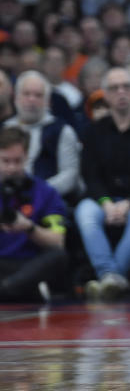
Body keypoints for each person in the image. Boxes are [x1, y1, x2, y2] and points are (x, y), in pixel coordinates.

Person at [75, 67, 130, 300]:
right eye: (114, 88)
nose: (121, 92)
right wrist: (106, 203)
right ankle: (113, 277)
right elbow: (90, 175)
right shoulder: (93, 131)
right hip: (102, 199)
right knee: (85, 214)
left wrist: (129, 203)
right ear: (105, 94)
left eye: (126, 86)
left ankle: (108, 277)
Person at [0, 127, 68, 301]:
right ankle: (15, 289)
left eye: (17, 161)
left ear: (27, 157)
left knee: (59, 256)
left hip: (28, 264)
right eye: (5, 161)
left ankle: (7, 288)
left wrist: (29, 228)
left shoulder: (46, 192)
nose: (11, 168)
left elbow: (57, 241)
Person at [4, 71, 82, 202]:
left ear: (47, 102)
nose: (31, 100)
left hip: (51, 202)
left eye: (38, 95)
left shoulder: (62, 130)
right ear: (16, 98)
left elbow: (70, 175)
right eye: (26, 94)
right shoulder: (4, 129)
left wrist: (37, 192)